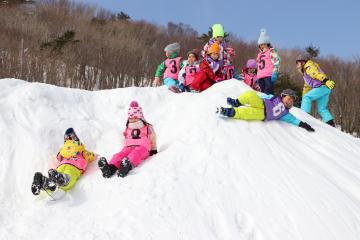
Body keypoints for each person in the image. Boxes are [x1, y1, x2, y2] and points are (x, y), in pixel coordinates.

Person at [31, 128, 96, 198]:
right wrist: (93, 155)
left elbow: (58, 157)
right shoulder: (82, 152)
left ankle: (44, 182)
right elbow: (91, 157)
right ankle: (61, 179)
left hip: (61, 166)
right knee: (69, 176)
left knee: (55, 176)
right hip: (74, 167)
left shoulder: (63, 150)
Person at [98, 101, 157, 178]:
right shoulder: (127, 128)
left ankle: (127, 166)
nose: (132, 119)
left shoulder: (147, 127)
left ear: (140, 117)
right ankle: (110, 168)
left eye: (134, 117)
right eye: (130, 118)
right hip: (128, 147)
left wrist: (153, 149)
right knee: (119, 155)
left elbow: (153, 138)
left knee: (136, 153)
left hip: (143, 148)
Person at [216, 89, 315, 132]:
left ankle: (228, 112)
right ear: (283, 96)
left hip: (262, 115)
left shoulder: (285, 113)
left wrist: (304, 125)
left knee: (246, 113)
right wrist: (254, 99)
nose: (289, 102)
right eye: (289, 99)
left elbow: (294, 120)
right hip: (261, 103)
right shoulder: (274, 97)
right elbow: (263, 96)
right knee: (249, 94)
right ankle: (237, 102)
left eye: (292, 102)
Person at [295, 53, 336, 126]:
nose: (297, 65)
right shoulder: (305, 72)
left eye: (298, 62)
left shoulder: (309, 67)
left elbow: (316, 74)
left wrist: (326, 80)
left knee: (307, 97)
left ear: (303, 62)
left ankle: (304, 116)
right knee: (321, 108)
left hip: (322, 86)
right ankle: (330, 123)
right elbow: (307, 87)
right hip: (325, 88)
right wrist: (302, 98)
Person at [256, 29, 281, 94]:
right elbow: (258, 65)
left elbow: (276, 61)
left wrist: (275, 72)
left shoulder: (271, 51)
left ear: (267, 44)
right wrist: (257, 75)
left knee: (268, 92)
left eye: (263, 44)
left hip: (268, 75)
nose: (262, 46)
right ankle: (263, 103)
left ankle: (270, 103)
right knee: (262, 93)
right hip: (260, 76)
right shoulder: (259, 54)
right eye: (260, 45)